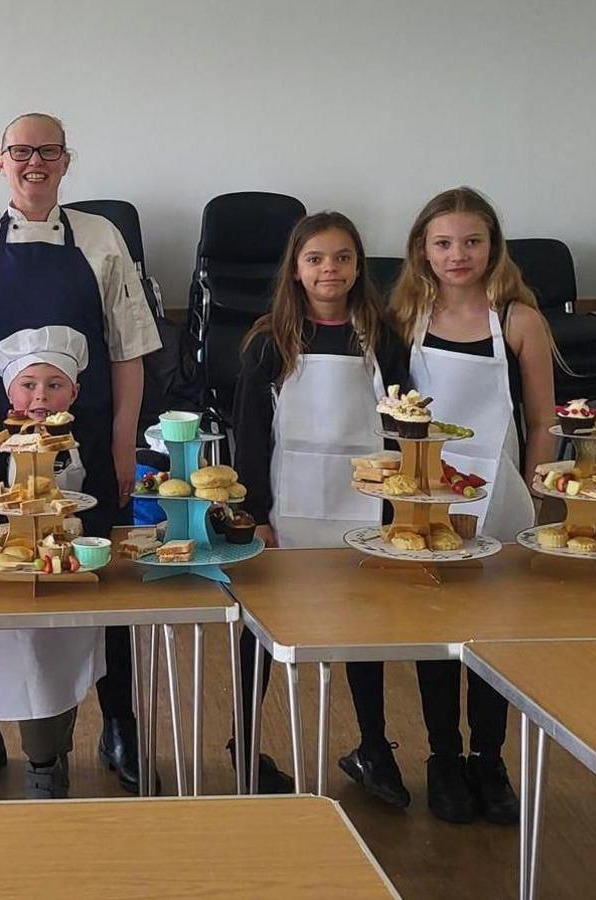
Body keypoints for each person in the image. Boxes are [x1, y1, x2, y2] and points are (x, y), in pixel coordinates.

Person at [0, 112, 161, 796]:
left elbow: (129, 353)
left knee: (101, 580)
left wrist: (122, 445)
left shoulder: (101, 238)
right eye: (20, 151)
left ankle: (120, 725)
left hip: (90, 444)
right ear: (1, 162)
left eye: (47, 151)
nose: (34, 163)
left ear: (65, 161)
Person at [344, 187, 553, 825]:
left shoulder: (518, 320)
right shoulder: (406, 317)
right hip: (425, 502)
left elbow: (542, 419)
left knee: (492, 633)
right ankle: (442, 756)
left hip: (500, 496)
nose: (457, 254)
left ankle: (488, 757)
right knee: (435, 632)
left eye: (471, 241)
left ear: (493, 247)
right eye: (443, 243)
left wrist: (536, 492)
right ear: (421, 251)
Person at [232, 212, 405, 796]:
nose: (329, 269)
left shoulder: (382, 337)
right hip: (288, 509)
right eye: (316, 259)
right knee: (262, 627)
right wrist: (256, 515)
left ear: (359, 267)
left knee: (363, 628)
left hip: (367, 508)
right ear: (296, 270)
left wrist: (399, 510)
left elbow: (406, 426)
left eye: (342, 258)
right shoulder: (268, 341)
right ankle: (244, 742)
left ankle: (374, 745)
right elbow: (250, 437)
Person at [0, 325, 107, 798]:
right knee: (26, 659)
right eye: (29, 385)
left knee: (65, 659)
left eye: (54, 386)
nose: (41, 397)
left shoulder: (88, 441)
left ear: (74, 393)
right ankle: (42, 761)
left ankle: (70, 745)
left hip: (71, 567)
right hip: (12, 570)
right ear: (9, 393)